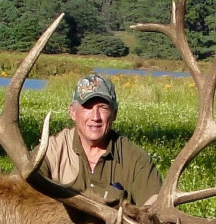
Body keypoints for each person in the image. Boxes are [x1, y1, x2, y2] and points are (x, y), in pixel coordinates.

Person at [37, 73, 161, 207]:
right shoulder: (50, 151)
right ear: (72, 112)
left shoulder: (135, 160)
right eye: (87, 107)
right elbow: (18, 194)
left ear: (114, 114)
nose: (95, 117)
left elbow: (161, 213)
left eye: (103, 107)